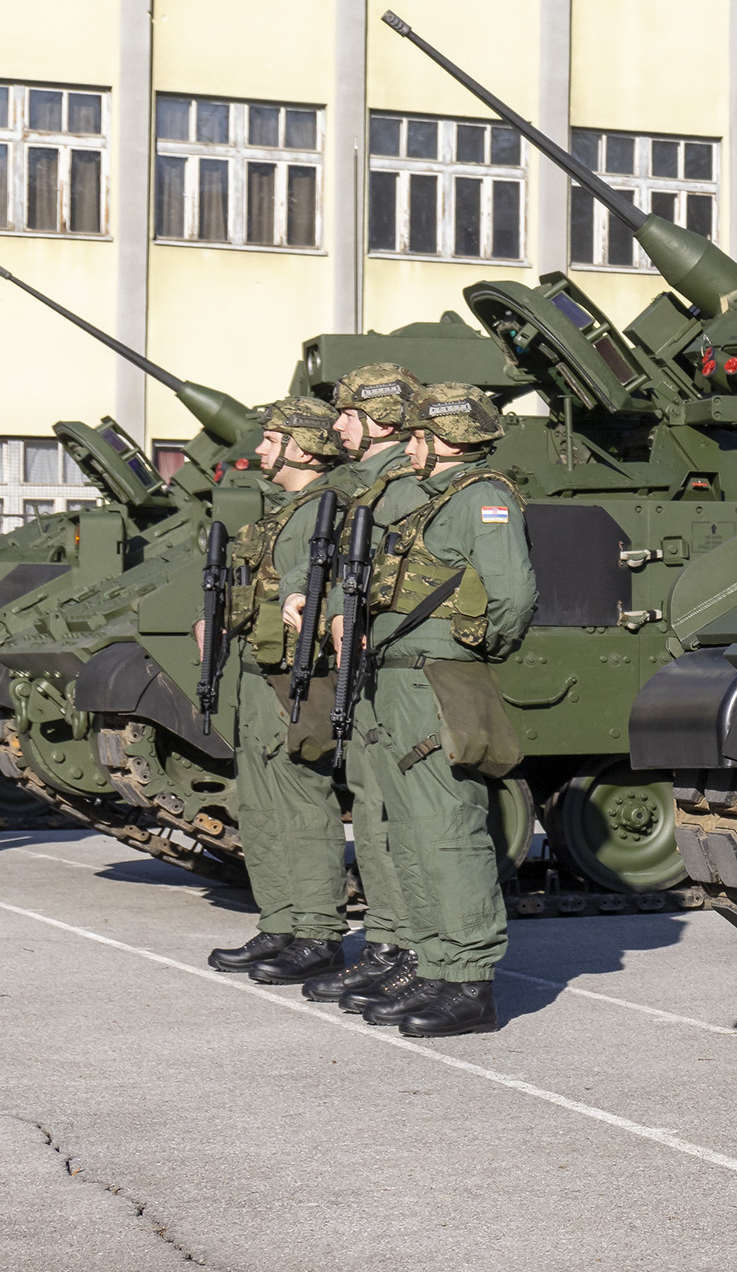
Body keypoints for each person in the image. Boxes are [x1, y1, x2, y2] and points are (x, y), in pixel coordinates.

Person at [335, 381, 534, 1038]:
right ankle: (436, 964)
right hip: (400, 680)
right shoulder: (436, 502)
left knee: (448, 830)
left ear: (441, 438)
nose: (408, 446)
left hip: (437, 680)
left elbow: (513, 595)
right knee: (412, 832)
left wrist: (472, 652)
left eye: (416, 435)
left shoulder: (483, 498)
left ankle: (469, 980)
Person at [200, 398, 354, 984]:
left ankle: (316, 933)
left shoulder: (326, 510)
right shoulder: (280, 514)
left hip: (294, 676)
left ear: (306, 446)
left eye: (272, 438)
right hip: (256, 670)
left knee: (299, 802)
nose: (260, 449)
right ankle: (281, 923)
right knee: (261, 807)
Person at [297, 365, 427, 1013]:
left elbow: (409, 579)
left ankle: (409, 950)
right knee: (372, 813)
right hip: (370, 672)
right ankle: (387, 945)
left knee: (392, 816)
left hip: (394, 668)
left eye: (347, 414)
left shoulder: (404, 489)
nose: (338, 427)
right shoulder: (373, 487)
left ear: (380, 418)